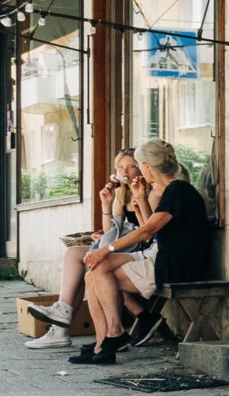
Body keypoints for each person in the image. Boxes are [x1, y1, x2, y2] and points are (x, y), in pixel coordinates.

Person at [75, 141, 216, 366]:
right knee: (93, 271)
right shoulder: (173, 190)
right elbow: (152, 233)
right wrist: (140, 198)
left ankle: (114, 334)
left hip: (175, 266)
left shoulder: (177, 190)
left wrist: (106, 248)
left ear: (147, 167)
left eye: (140, 165)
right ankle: (103, 343)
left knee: (100, 271)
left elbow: (147, 231)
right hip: (161, 255)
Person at [27, 151, 144, 344]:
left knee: (89, 261)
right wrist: (106, 204)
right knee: (74, 253)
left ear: (141, 168)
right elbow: (110, 230)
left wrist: (107, 245)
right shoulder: (122, 194)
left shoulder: (146, 193)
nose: (125, 171)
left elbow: (146, 233)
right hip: (117, 246)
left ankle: (60, 329)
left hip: (132, 250)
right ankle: (62, 315)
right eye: (120, 167)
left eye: (131, 166)